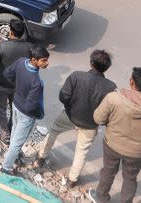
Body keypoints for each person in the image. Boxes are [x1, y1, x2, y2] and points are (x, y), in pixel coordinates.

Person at [36, 50, 116, 188]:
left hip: (69, 116)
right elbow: (109, 111)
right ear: (107, 67)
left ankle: (41, 157)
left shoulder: (77, 76)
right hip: (91, 124)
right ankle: (72, 180)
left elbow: (63, 96)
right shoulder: (111, 87)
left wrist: (70, 107)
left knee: (53, 132)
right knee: (81, 152)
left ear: (91, 63)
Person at [90, 67, 141, 203]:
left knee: (108, 171)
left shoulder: (113, 98)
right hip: (136, 153)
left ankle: (101, 197)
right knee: (130, 179)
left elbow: (98, 118)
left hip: (112, 145)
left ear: (131, 81)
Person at [0, 45, 50, 175]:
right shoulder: (36, 82)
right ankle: (6, 167)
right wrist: (33, 115)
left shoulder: (21, 61)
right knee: (18, 141)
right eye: (43, 60)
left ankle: (13, 155)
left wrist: (18, 88)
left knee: (15, 133)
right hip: (26, 114)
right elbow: (31, 105)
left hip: (16, 104)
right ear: (34, 60)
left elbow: (7, 74)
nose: (47, 63)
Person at [0, 19, 32, 144]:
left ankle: (4, 134)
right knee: (15, 110)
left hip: (2, 84)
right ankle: (11, 130)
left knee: (1, 110)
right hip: (19, 86)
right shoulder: (30, 48)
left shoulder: (2, 47)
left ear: (11, 32)